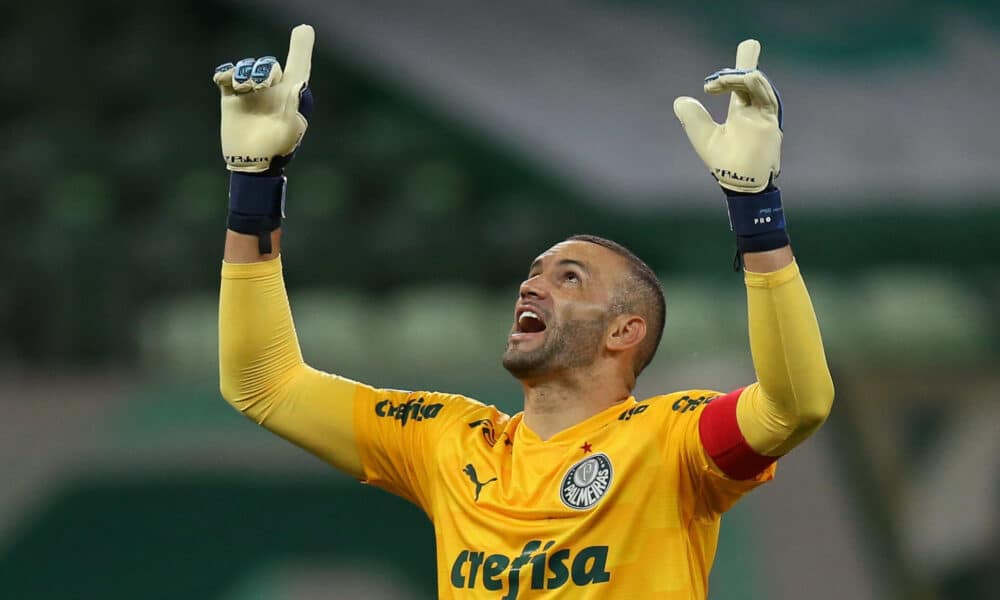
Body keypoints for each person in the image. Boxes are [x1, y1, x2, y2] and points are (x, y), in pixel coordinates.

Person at [215, 25, 834, 599]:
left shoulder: (671, 442)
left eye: (569, 278)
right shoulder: (444, 440)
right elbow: (262, 384)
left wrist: (756, 211)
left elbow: (794, 405)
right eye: (533, 274)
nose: (531, 288)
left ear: (626, 330)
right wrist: (254, 184)